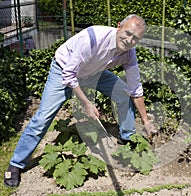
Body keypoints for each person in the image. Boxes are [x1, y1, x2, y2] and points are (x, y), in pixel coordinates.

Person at [4, 14, 157, 187]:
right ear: (119, 26)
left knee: (123, 93)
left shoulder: (129, 53)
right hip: (63, 70)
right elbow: (69, 75)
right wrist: (87, 104)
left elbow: (135, 89)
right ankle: (16, 164)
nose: (129, 40)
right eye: (128, 33)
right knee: (43, 117)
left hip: (93, 72)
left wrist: (145, 121)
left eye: (135, 38)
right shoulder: (93, 38)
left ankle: (127, 137)